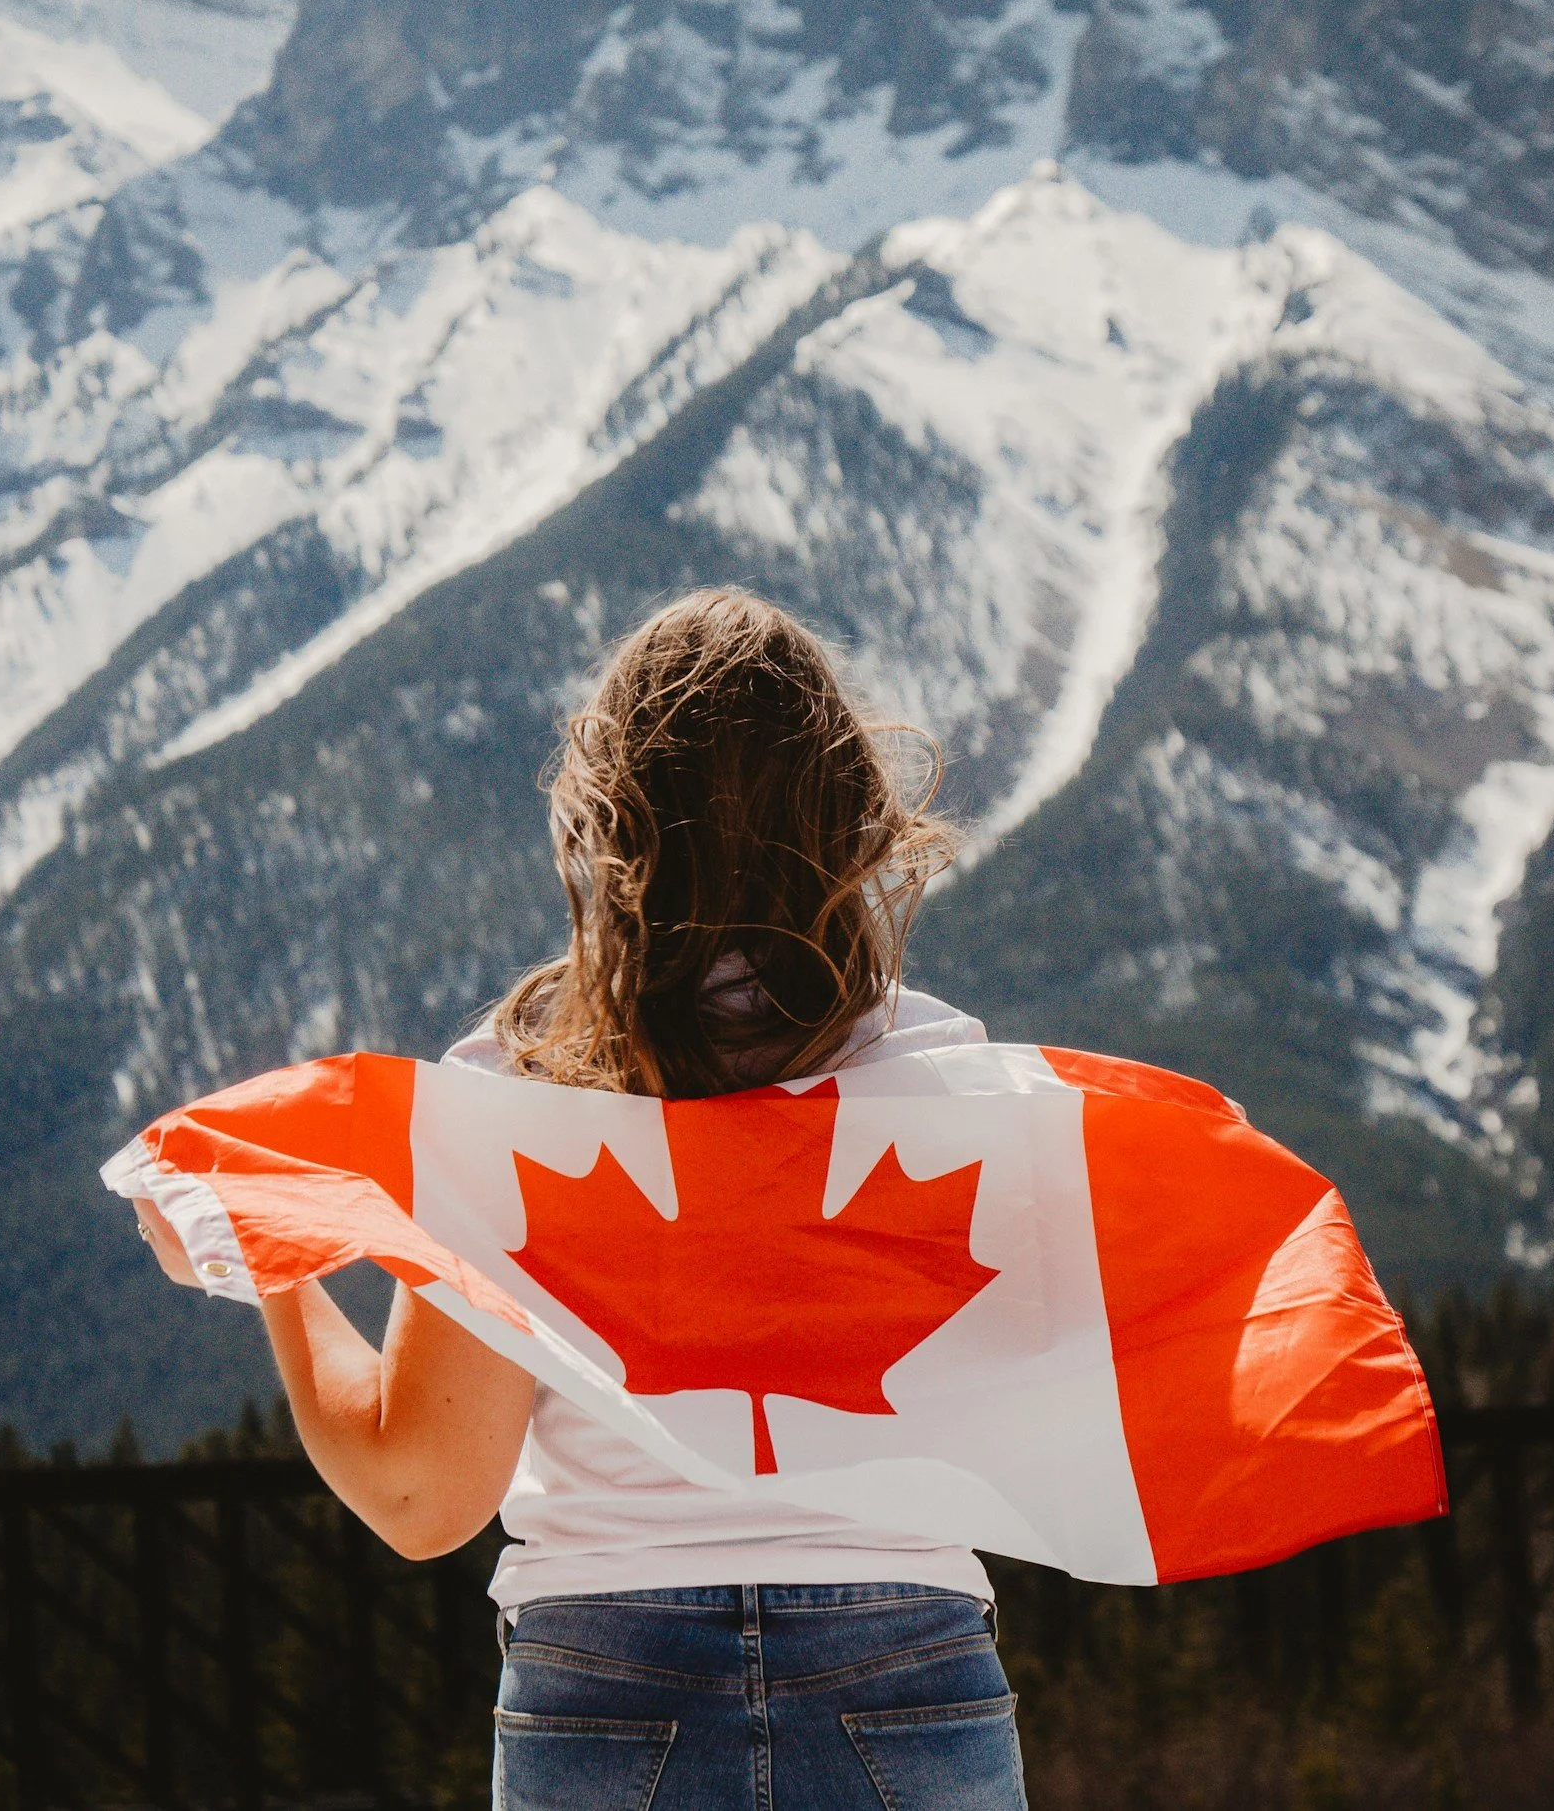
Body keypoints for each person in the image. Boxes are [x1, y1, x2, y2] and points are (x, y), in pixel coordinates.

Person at [135, 587, 1028, 1809]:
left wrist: (276, 1264)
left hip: (609, 1695)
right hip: (908, 1680)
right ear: (848, 818)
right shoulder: (943, 1076)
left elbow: (421, 1494)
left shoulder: (519, 1091)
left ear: (605, 829)